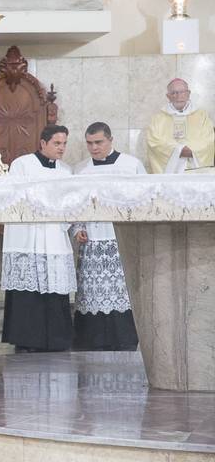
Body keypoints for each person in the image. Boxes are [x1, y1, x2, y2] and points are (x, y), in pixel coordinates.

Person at [1, 124, 75, 353]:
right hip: (28, 235)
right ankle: (27, 340)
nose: (61, 148)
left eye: (64, 144)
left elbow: (70, 204)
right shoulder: (22, 165)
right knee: (28, 291)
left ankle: (56, 340)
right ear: (43, 143)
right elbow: (13, 197)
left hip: (54, 236)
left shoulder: (66, 172)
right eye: (57, 143)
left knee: (54, 288)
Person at [72, 122, 143, 351]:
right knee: (92, 291)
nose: (94, 148)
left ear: (111, 140)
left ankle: (124, 338)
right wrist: (77, 228)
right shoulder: (81, 170)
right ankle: (92, 340)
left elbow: (144, 199)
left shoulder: (131, 165)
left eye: (98, 142)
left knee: (121, 290)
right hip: (92, 239)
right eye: (89, 143)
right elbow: (74, 204)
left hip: (121, 237)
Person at [146, 78, 214, 173]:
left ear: (188, 93)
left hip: (196, 171)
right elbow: (154, 142)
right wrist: (179, 151)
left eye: (182, 92)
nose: (179, 96)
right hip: (170, 172)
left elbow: (209, 140)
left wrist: (192, 151)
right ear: (168, 96)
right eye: (174, 93)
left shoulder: (202, 116)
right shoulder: (158, 118)